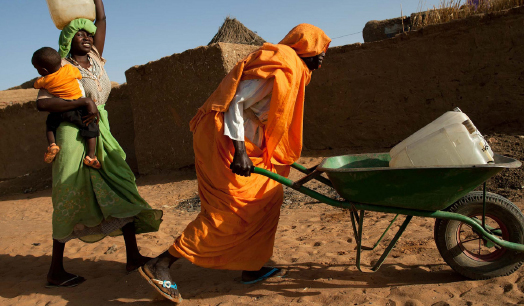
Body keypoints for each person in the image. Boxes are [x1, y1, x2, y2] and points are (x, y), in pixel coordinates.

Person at [138, 24, 331, 302]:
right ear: (304, 45)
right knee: (231, 209)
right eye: (319, 47)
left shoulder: (297, 71)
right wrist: (240, 151)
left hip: (244, 138)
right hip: (224, 138)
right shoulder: (282, 65)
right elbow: (235, 102)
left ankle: (252, 266)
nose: (323, 54)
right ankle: (160, 263)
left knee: (267, 196)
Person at [36, 0, 163, 288]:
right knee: (69, 194)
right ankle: (55, 270)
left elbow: (102, 19)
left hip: (100, 129)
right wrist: (82, 101)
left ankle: (133, 256)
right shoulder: (62, 67)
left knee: (121, 182)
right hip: (71, 133)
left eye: (89, 33)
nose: (88, 36)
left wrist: (97, 1)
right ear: (68, 41)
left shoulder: (95, 56)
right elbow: (41, 104)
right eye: (80, 34)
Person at [32, 47, 101, 169]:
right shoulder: (69, 69)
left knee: (50, 126)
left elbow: (36, 86)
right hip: (79, 108)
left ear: (43, 70)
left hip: (60, 111)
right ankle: (90, 156)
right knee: (91, 129)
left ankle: (52, 145)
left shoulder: (44, 80)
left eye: (37, 69)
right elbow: (78, 75)